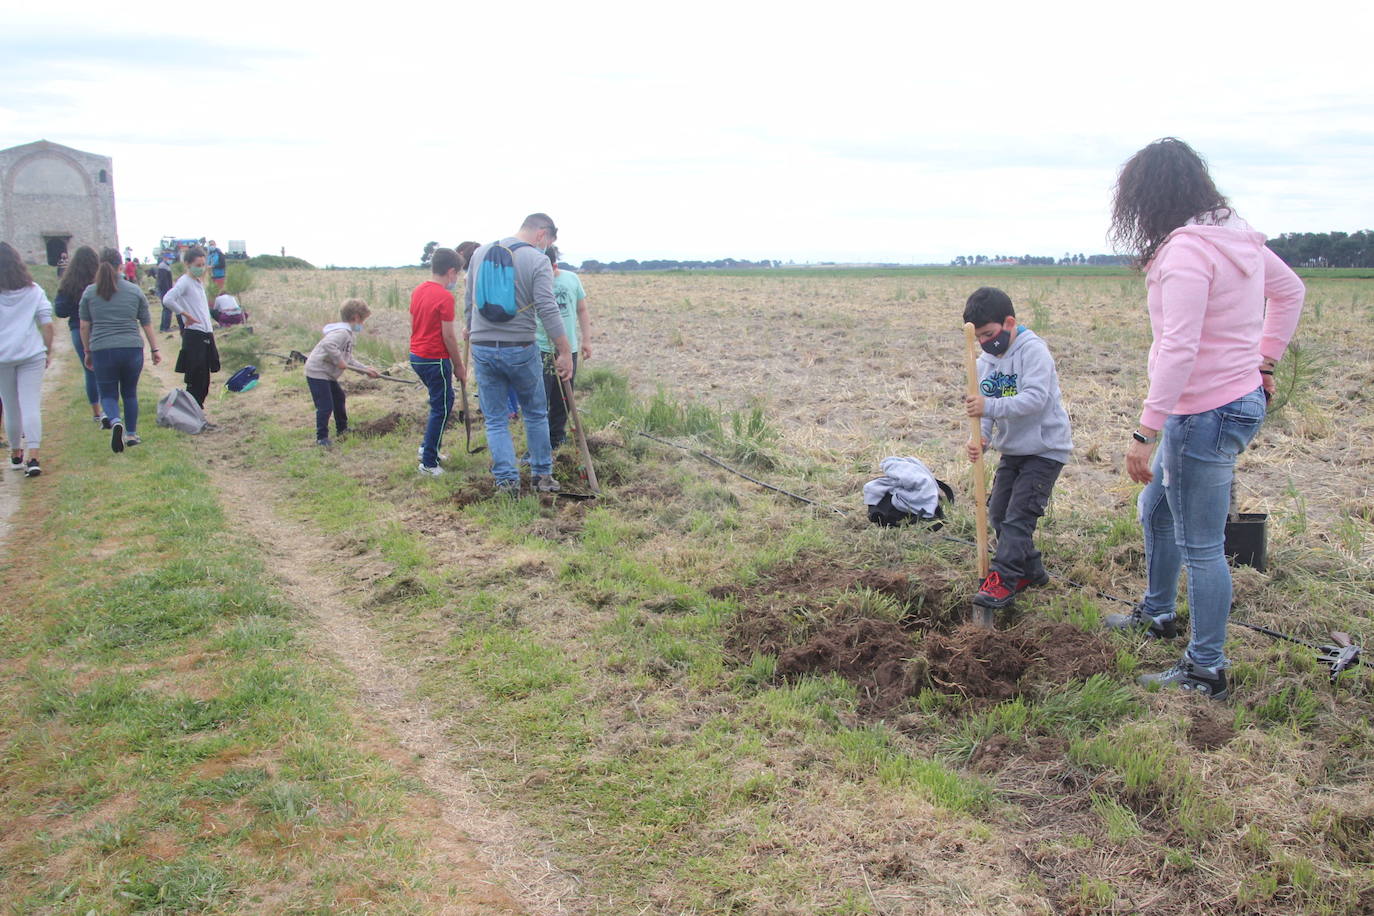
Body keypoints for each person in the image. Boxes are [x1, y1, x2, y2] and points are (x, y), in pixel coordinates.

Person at [1103, 137, 1305, 701]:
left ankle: (1205, 669)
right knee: (1156, 507)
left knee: (1202, 546)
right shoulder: (1235, 238)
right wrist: (1265, 361)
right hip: (1236, 400)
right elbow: (1290, 292)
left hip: (1202, 414)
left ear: (1149, 198)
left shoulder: (1188, 252)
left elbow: (1179, 348)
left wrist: (1146, 430)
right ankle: (1159, 612)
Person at [963, 286, 1073, 609]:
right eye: (979, 337)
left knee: (1018, 519)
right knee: (998, 512)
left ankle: (1005, 578)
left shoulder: (1032, 351)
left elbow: (1035, 399)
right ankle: (1030, 571)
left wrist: (989, 407)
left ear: (1009, 323)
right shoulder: (984, 362)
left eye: (989, 334)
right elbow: (980, 408)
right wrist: (980, 438)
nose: (985, 343)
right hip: (1013, 451)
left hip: (1044, 449)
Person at [464, 214, 573, 496]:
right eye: (548, 242)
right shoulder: (537, 260)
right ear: (542, 234)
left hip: (483, 347)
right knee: (536, 413)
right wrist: (564, 351)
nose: (546, 247)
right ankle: (542, 476)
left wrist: (470, 330)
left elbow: (469, 301)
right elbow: (548, 310)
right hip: (521, 348)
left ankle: (506, 482)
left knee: (496, 418)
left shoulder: (479, 253)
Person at [80, 248, 162, 451]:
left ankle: (115, 420)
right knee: (130, 393)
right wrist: (154, 349)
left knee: (107, 394)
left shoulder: (90, 292)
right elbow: (146, 323)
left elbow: (84, 326)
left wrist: (87, 351)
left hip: (102, 348)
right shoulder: (134, 291)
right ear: (121, 266)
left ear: (99, 266)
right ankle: (132, 434)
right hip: (131, 348)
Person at [409, 247, 467, 475]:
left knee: (442, 402)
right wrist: (459, 367)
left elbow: (412, 322)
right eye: (457, 274)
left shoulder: (418, 290)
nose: (457, 279)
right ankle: (428, 462)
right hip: (434, 359)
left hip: (417, 356)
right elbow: (448, 336)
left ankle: (429, 448)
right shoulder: (444, 296)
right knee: (441, 408)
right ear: (451, 271)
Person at [0, 242, 55, 477]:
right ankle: (34, 456)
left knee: (11, 406)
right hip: (31, 353)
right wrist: (47, 350)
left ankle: (15, 453)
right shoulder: (33, 290)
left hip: (2, 357)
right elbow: (47, 323)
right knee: (31, 404)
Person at [304, 298, 381, 447]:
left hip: (327, 374)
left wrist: (365, 370)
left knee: (339, 398)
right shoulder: (342, 333)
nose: (362, 324)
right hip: (317, 371)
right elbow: (328, 344)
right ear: (356, 317)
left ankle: (342, 429)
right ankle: (322, 438)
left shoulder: (349, 334)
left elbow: (348, 359)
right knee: (325, 405)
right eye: (363, 320)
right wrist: (339, 361)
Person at [537, 245, 592, 449]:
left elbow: (582, 309)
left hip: (569, 349)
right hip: (541, 348)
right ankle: (539, 444)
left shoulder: (571, 279)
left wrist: (586, 340)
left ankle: (557, 438)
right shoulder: (532, 281)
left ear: (554, 265)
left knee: (563, 399)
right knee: (540, 399)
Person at [52, 246, 106, 425]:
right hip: (101, 328)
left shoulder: (69, 283)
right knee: (106, 370)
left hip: (77, 328)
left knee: (89, 370)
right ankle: (109, 408)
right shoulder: (101, 281)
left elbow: (60, 311)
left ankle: (96, 412)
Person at [161, 246, 220, 413]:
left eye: (203, 264)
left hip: (206, 332)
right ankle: (191, 413)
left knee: (204, 379)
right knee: (196, 378)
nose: (201, 268)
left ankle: (196, 412)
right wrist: (184, 314)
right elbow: (168, 299)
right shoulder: (184, 281)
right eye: (198, 264)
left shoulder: (197, 282)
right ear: (187, 264)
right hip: (195, 334)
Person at [155, 251, 180, 332]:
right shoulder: (163, 267)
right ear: (165, 258)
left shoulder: (165, 266)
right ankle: (165, 327)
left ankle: (164, 327)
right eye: (170, 258)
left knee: (166, 309)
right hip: (164, 291)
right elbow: (164, 281)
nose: (171, 260)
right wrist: (168, 292)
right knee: (167, 309)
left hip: (165, 291)